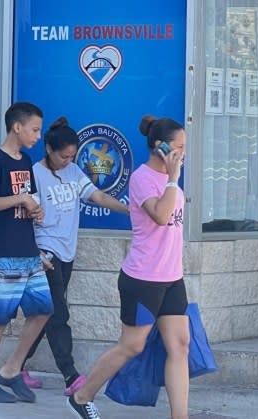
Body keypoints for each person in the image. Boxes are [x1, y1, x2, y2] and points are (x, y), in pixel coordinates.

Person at [67, 115, 189, 419]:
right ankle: (82, 396)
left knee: (180, 346)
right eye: (179, 146)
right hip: (143, 277)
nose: (183, 152)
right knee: (132, 346)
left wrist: (173, 180)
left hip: (172, 276)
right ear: (160, 148)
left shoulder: (169, 181)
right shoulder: (142, 178)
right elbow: (161, 216)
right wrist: (173, 179)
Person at [20, 117, 129, 396]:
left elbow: (98, 197)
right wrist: (35, 253)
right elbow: (22, 218)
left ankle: (15, 367)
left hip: (67, 253)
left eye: (72, 156)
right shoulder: (34, 174)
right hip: (46, 253)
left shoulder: (74, 172)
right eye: (63, 156)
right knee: (58, 314)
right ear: (48, 148)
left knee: (44, 315)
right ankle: (71, 376)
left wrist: (129, 210)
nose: (68, 161)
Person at [0, 101, 54, 404]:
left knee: (44, 310)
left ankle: (10, 369)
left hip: (28, 250)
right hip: (5, 252)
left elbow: (26, 200)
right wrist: (20, 198)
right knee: (1, 318)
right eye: (34, 129)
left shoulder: (26, 160)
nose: (37, 135)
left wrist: (35, 211)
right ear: (16, 127)